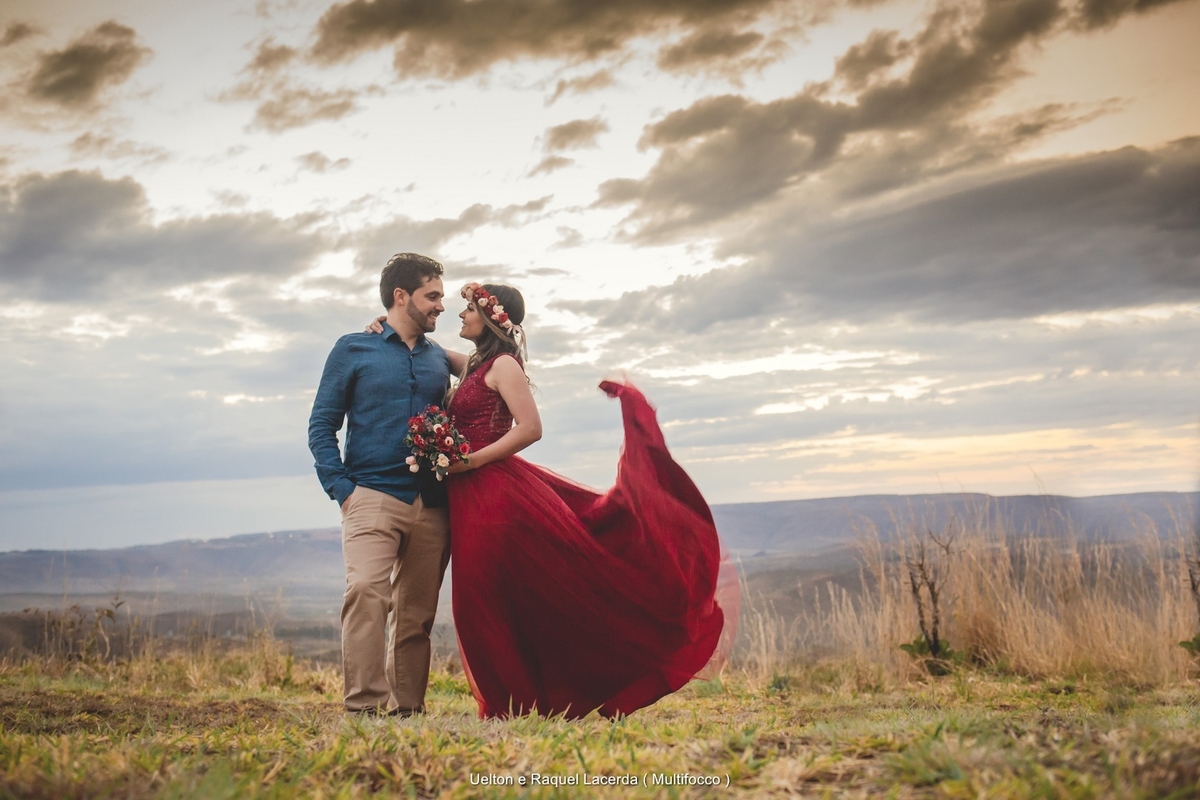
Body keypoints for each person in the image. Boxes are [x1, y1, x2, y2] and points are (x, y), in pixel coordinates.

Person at [371, 282, 736, 719]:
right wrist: (385, 328)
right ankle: (517, 703)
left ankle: (511, 708)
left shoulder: (504, 365)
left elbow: (530, 428)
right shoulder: (475, 364)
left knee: (480, 604)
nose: (460, 314)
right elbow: (426, 349)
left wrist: (469, 461)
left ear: (491, 316)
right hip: (469, 502)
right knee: (481, 606)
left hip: (495, 500)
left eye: (468, 308)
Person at [308, 253, 460, 716]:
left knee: (416, 616)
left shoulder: (440, 360)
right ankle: (364, 710)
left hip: (433, 504)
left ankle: (408, 711)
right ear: (401, 296)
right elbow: (322, 425)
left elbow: (501, 367)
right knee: (367, 594)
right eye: (432, 296)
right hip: (371, 495)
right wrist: (343, 490)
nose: (440, 306)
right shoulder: (354, 348)